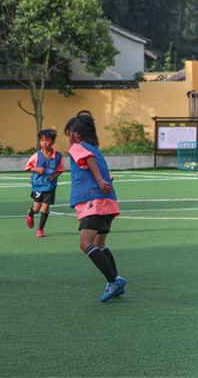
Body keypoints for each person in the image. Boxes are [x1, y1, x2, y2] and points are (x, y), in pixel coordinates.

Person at [65, 110, 127, 302]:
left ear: (77, 134)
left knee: (85, 243)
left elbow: (89, 162)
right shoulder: (95, 149)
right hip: (108, 202)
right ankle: (115, 284)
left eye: (69, 133)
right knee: (100, 244)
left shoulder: (77, 147)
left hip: (93, 201)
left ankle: (113, 281)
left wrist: (99, 180)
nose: (69, 137)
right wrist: (102, 179)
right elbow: (97, 166)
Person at [25, 129, 64, 237]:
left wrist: (53, 176)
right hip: (38, 184)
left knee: (45, 208)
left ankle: (40, 229)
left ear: (53, 142)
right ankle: (30, 214)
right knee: (37, 208)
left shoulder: (58, 156)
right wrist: (36, 170)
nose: (44, 143)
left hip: (50, 186)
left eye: (47, 140)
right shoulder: (36, 155)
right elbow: (28, 167)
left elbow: (60, 170)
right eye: (42, 140)